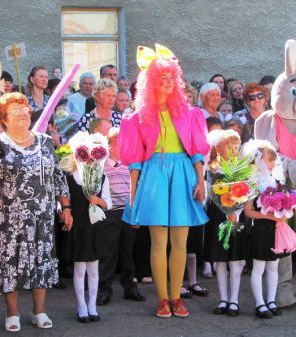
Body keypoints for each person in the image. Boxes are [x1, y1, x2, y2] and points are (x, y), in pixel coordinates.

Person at [119, 44, 210, 318]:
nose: (169, 82)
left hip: (183, 175)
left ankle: (176, 297)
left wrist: (201, 180)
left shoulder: (190, 113)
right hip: (154, 176)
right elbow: (134, 159)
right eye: (163, 77)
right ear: (151, 82)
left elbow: (197, 150)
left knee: (181, 242)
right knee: (158, 243)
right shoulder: (136, 118)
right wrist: (133, 196)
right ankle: (162, 299)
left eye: (172, 77)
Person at [0, 92, 73, 332]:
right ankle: (12, 314)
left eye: (24, 108)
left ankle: (39, 311)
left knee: (42, 261)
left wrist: (66, 206)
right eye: (15, 110)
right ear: (4, 119)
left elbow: (57, 177)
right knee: (10, 264)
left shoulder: (45, 141)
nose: (21, 113)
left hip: (42, 216)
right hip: (9, 218)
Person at [98, 127, 146, 306]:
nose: (124, 145)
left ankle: (130, 287)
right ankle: (105, 288)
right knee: (109, 253)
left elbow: (137, 188)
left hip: (128, 211)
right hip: (110, 212)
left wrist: (136, 214)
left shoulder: (131, 164)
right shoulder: (102, 165)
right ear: (110, 145)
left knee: (128, 252)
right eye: (119, 142)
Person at [65, 142, 112, 323]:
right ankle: (81, 307)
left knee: (93, 268)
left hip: (95, 226)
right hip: (78, 227)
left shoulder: (101, 177)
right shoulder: (69, 178)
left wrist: (97, 200)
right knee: (79, 270)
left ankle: (92, 305)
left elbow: (109, 203)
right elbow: (62, 203)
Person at [203, 129, 246, 317]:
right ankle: (223, 298)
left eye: (236, 146)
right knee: (221, 260)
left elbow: (246, 192)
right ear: (219, 148)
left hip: (236, 216)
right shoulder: (212, 170)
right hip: (218, 216)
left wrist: (235, 211)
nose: (234, 150)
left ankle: (234, 299)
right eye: (229, 146)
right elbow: (210, 194)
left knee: (235, 261)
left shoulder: (242, 169)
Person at [244, 142, 286, 319]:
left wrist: (284, 214)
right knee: (259, 267)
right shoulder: (253, 183)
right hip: (260, 229)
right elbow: (248, 211)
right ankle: (259, 303)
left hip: (275, 230)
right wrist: (270, 216)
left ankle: (271, 301)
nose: (272, 164)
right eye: (269, 161)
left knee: (273, 267)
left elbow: (285, 205)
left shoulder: (277, 182)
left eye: (273, 161)